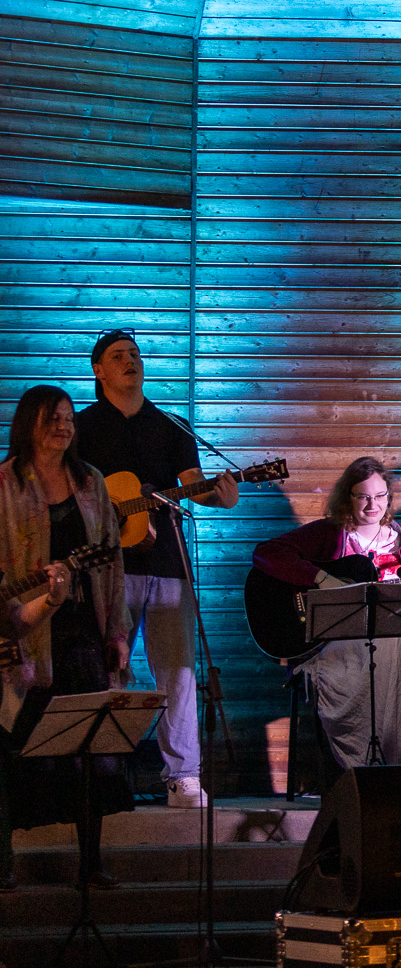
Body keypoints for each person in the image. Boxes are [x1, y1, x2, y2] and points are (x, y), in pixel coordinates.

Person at [73, 328, 237, 809]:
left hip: (168, 564)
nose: (130, 361)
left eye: (135, 354)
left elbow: (193, 484)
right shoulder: (81, 427)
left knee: (179, 673)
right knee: (110, 670)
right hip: (107, 569)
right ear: (99, 370)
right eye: (118, 356)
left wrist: (221, 496)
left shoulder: (171, 425)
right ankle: (105, 776)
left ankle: (182, 776)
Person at [251, 457, 401, 768]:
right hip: (331, 648)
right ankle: (372, 770)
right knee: (392, 650)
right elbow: (265, 554)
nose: (373, 505)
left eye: (380, 496)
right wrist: (321, 578)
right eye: (363, 496)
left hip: (392, 650)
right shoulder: (328, 533)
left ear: (389, 497)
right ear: (348, 497)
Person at [1, 386, 129, 889]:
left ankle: (91, 862)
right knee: (16, 746)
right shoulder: (5, 483)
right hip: (20, 632)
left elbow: (112, 563)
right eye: (52, 418)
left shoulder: (90, 481)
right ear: (27, 424)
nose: (63, 426)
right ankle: (5, 862)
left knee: (89, 746)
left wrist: (117, 632)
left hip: (81, 629)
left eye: (68, 418)